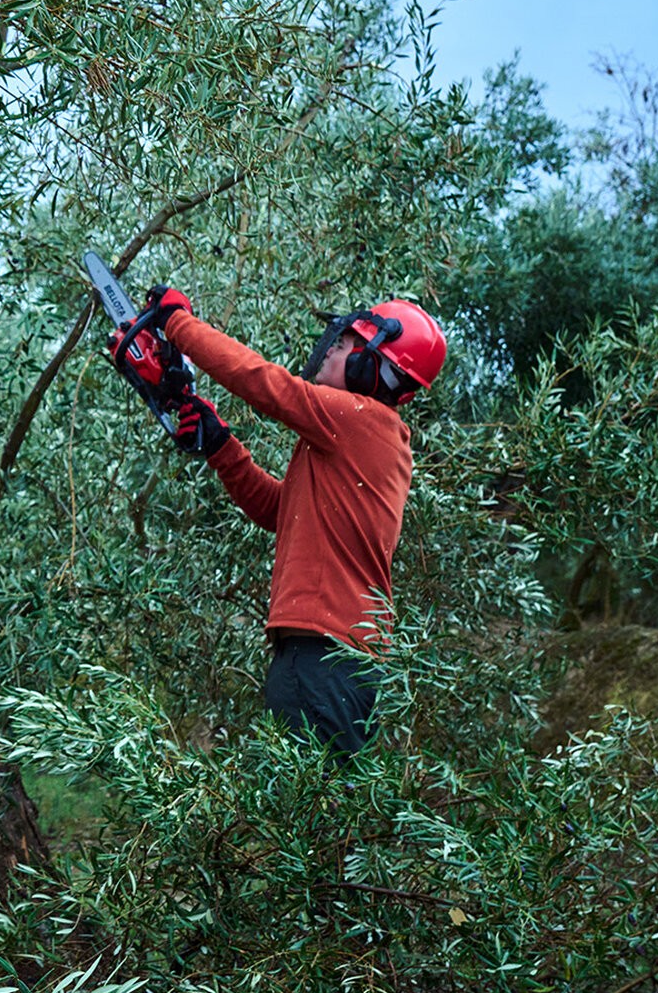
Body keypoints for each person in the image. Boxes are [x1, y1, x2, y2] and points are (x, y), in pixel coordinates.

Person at [139, 288, 446, 756]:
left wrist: (176, 323)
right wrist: (221, 444)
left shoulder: (360, 419)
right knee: (318, 808)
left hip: (323, 654)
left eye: (343, 345)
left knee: (309, 807)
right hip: (331, 655)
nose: (329, 349)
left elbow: (264, 383)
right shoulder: (364, 439)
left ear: (372, 366)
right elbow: (279, 511)